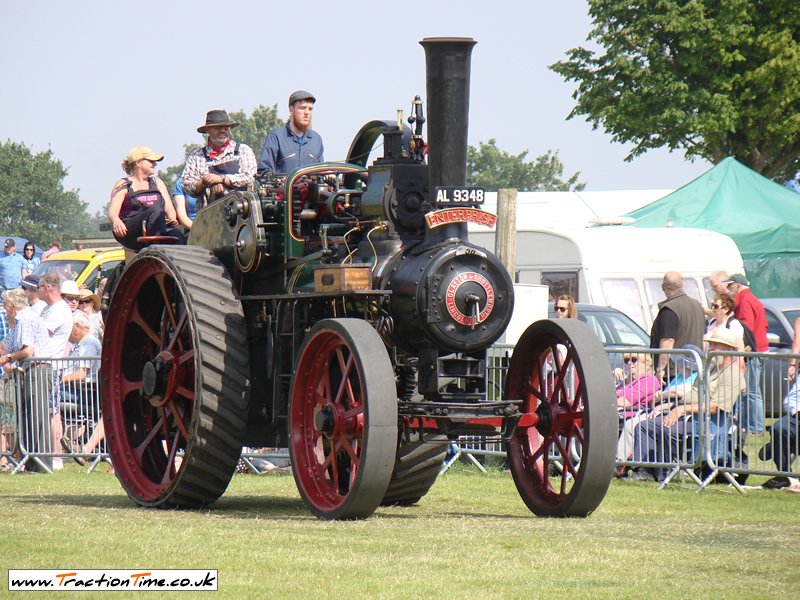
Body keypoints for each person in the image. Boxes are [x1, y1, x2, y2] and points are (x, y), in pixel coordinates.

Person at [631, 328, 746, 482]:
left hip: (709, 423)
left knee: (669, 429)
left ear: (730, 349)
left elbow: (715, 408)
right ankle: (644, 471)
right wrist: (670, 406)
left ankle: (663, 473)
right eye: (711, 344)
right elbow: (691, 396)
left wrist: (682, 409)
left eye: (716, 345)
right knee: (645, 426)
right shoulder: (709, 370)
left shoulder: (732, 375)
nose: (711, 348)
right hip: (690, 416)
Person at [0, 289, 51, 472]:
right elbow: (8, 344)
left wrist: (8, 358)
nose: (5, 310)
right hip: (30, 371)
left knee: (36, 418)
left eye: (6, 305)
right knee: (29, 418)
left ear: (13, 305)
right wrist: (7, 354)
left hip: (38, 370)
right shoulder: (21, 321)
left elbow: (27, 351)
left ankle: (41, 464)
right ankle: (31, 463)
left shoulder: (26, 319)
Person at [108, 146, 182, 251]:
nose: (155, 164)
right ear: (138, 162)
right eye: (151, 161)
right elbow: (112, 212)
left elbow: (169, 208)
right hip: (131, 231)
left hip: (158, 225)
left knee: (177, 234)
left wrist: (172, 218)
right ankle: (155, 250)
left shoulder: (157, 183)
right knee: (155, 211)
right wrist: (115, 220)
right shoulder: (124, 184)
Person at [724, 273, 768, 435]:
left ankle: (755, 427)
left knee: (750, 390)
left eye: (730, 285)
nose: (728, 289)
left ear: (738, 285)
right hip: (759, 349)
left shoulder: (744, 300)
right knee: (752, 390)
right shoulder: (751, 298)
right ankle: (753, 426)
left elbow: (745, 327)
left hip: (753, 351)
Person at [182, 110, 257, 203]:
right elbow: (187, 184)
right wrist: (205, 182)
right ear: (208, 130)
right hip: (210, 215)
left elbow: (250, 177)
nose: (222, 130)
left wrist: (222, 179)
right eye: (218, 127)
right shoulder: (196, 156)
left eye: (225, 127)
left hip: (243, 214)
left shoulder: (243, 150)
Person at [58, 311, 102, 460]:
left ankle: (58, 446)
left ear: (76, 326)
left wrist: (60, 380)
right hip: (76, 390)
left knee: (49, 394)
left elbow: (82, 374)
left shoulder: (89, 343)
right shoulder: (79, 344)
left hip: (85, 393)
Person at [650, 272, 705, 372]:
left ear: (663, 287)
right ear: (682, 285)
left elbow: (668, 342)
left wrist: (660, 369)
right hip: (695, 368)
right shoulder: (697, 305)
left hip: (674, 371)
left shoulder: (669, 309)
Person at [258, 90, 324, 175]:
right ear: (291, 109)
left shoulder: (316, 140)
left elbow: (321, 173)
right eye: (302, 108)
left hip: (311, 188)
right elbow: (264, 171)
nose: (307, 112)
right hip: (284, 188)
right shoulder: (276, 137)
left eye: (310, 109)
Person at [615, 352, 662, 463]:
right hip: (618, 413)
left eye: (634, 360)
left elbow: (626, 401)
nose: (630, 363)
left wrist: (604, 403)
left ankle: (619, 463)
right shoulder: (629, 382)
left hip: (638, 415)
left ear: (645, 363)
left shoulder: (649, 380)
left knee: (628, 425)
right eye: (627, 361)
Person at [758, 378, 800, 489]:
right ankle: (785, 475)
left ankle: (775, 447)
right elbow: (791, 398)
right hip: (797, 417)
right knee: (779, 427)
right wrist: (798, 410)